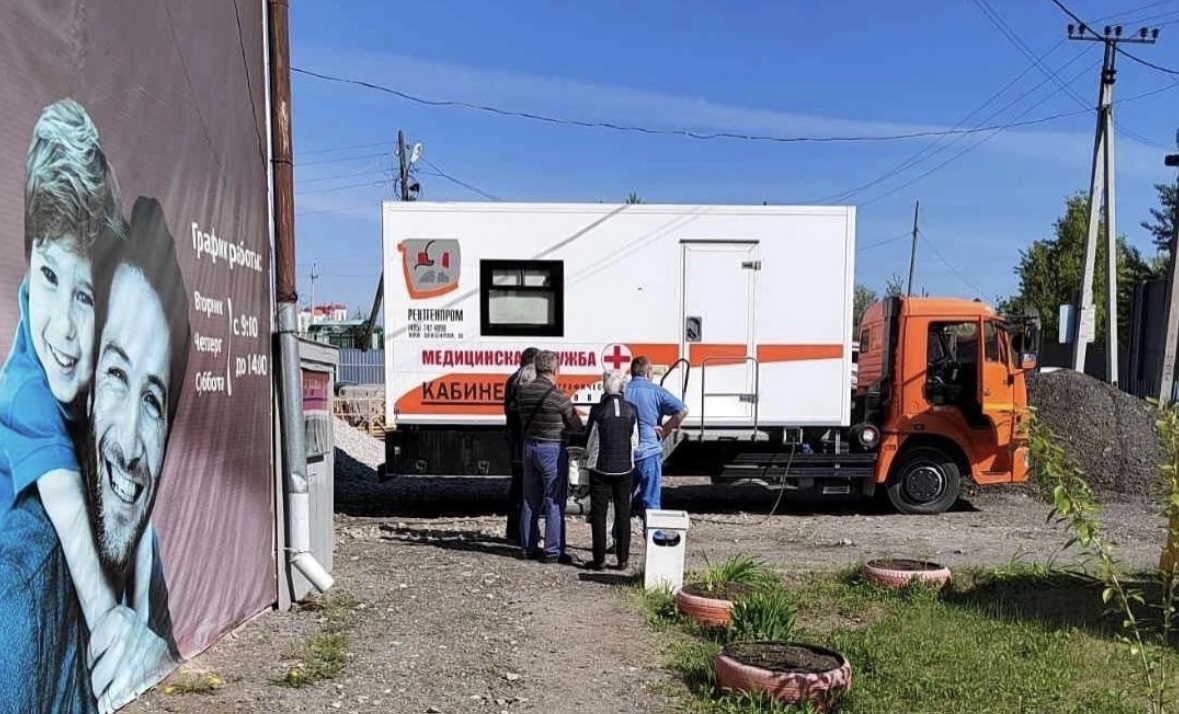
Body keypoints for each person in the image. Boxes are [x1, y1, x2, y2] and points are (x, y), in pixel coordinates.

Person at [0, 195, 190, 713]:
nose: (130, 446)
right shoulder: (20, 590)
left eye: (152, 400)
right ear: (83, 388)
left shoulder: (140, 549)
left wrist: (153, 664)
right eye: (116, 375)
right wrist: (108, 619)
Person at [0, 98, 135, 655]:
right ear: (30, 257)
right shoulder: (24, 391)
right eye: (49, 276)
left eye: (83, 296)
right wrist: (110, 621)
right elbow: (72, 521)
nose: (62, 328)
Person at [516, 350, 583, 564]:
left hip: (529, 448)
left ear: (536, 368)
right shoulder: (558, 396)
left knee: (529, 499)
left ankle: (527, 546)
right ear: (555, 369)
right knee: (554, 500)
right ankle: (553, 551)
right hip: (552, 450)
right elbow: (576, 425)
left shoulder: (523, 393)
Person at [623, 356, 688, 530]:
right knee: (651, 501)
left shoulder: (624, 391)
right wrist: (666, 429)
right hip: (649, 453)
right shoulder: (656, 391)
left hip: (626, 454)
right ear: (649, 372)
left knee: (622, 501)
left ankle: (618, 540)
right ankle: (654, 540)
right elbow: (682, 410)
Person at [583, 370, 638, 571]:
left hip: (601, 468)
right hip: (625, 468)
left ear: (605, 387)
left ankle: (599, 560)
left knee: (599, 513)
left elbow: (589, 441)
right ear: (622, 387)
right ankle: (622, 559)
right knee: (623, 512)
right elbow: (635, 441)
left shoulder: (597, 410)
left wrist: (587, 457)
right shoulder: (631, 409)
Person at [502, 346, 538, 544]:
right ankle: (523, 532)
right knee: (525, 487)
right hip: (522, 440)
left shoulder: (511, 380)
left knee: (517, 485)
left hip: (514, 440)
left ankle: (513, 529)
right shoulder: (523, 382)